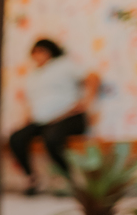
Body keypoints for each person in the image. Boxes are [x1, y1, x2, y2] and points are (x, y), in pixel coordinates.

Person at [8, 38, 100, 195]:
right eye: (34, 52)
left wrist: (87, 101)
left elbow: (92, 77)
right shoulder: (33, 75)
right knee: (16, 137)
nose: (37, 55)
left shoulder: (64, 65)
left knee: (52, 138)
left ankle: (66, 178)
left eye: (41, 51)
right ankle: (31, 178)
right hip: (42, 121)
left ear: (51, 51)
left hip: (68, 116)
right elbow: (32, 101)